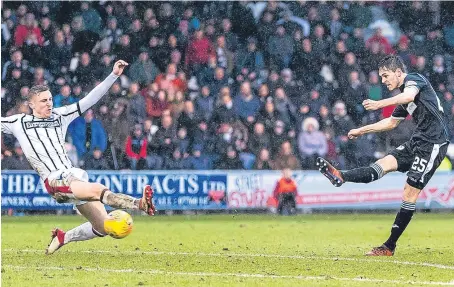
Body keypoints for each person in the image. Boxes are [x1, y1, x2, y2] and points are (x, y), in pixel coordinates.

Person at [0, 60, 156, 255]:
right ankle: (138, 204)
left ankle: (63, 237)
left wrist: (113, 75)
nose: (49, 103)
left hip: (73, 174)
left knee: (103, 226)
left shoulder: (60, 115)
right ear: (31, 104)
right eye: (43, 101)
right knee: (95, 190)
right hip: (55, 180)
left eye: (49, 99)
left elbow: (90, 100)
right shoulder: (18, 122)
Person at [316, 55, 451, 256]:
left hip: (433, 144)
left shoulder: (415, 80)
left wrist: (378, 103)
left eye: (386, 75)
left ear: (398, 72)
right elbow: (390, 122)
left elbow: (407, 96)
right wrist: (361, 130)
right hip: (417, 141)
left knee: (409, 193)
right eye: (381, 77)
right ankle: (342, 176)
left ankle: (389, 246)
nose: (383, 80)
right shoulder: (406, 98)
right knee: (382, 164)